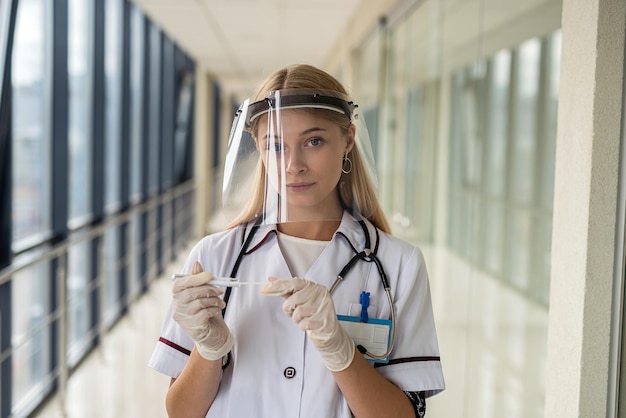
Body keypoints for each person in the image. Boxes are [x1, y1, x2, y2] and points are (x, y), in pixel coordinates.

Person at [148, 64, 445, 418]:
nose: (293, 165)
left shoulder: (397, 265)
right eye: (274, 146)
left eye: (314, 141)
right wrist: (208, 348)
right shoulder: (214, 258)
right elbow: (181, 412)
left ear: (348, 139)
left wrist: (341, 351)